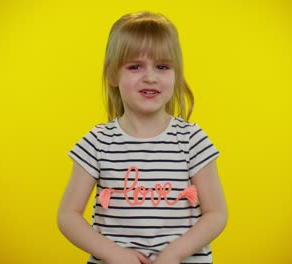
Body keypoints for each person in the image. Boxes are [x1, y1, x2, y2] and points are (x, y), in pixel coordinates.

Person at [58, 11, 227, 264]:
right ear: (112, 74)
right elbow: (68, 216)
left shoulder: (192, 139)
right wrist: (114, 254)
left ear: (176, 74)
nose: (150, 76)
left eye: (162, 66)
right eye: (135, 66)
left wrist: (175, 253)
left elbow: (216, 213)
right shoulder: (97, 142)